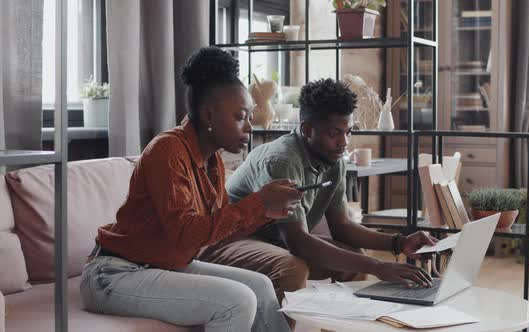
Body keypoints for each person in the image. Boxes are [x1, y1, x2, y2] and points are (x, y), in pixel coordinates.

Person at [80, 47, 302, 332]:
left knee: (259, 284)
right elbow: (186, 234)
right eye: (241, 116)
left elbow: (218, 232)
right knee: (238, 301)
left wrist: (270, 210)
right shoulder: (168, 150)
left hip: (160, 266)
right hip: (113, 275)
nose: (250, 126)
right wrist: (259, 202)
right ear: (209, 115)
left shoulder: (212, 161)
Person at [198, 78, 438, 303]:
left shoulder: (334, 161)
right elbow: (298, 242)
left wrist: (399, 243)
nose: (344, 142)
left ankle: (337, 326)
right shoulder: (281, 161)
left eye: (348, 132)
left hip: (273, 241)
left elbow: (342, 225)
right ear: (307, 129)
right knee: (292, 266)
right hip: (228, 242)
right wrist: (378, 266)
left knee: (354, 256)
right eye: (334, 133)